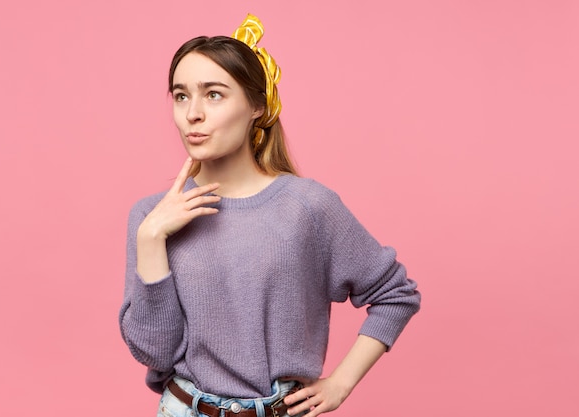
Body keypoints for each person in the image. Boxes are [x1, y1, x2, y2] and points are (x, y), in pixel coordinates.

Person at [119, 13, 421, 417]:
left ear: (257, 106)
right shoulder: (150, 217)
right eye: (180, 95)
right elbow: (155, 352)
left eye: (214, 94)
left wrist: (340, 384)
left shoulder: (306, 207)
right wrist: (151, 239)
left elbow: (394, 293)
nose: (192, 113)